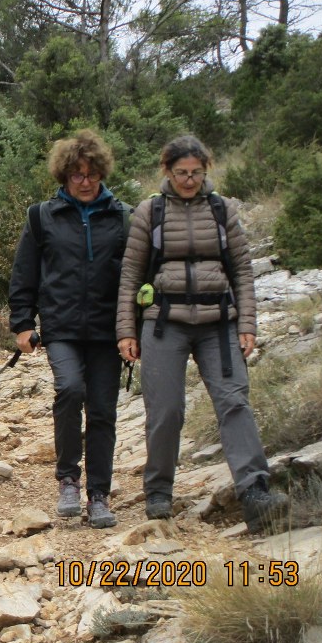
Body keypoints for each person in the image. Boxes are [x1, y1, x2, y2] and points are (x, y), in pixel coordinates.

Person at [116, 135, 288, 533]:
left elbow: (242, 270)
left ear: (205, 170)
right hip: (164, 321)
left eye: (196, 173)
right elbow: (130, 276)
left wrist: (247, 323)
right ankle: (159, 491)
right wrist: (126, 329)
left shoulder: (222, 209)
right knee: (166, 410)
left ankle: (255, 493)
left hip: (219, 323)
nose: (189, 180)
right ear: (167, 171)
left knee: (234, 402)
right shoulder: (149, 212)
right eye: (181, 173)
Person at [9, 130, 131, 529]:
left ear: (102, 172)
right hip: (60, 326)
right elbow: (24, 272)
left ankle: (99, 494)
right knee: (70, 389)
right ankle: (67, 479)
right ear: (64, 175)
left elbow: (133, 275)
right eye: (77, 174)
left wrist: (136, 327)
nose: (85, 181)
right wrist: (23, 323)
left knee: (102, 409)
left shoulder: (122, 216)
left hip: (107, 329)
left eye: (92, 173)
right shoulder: (42, 216)